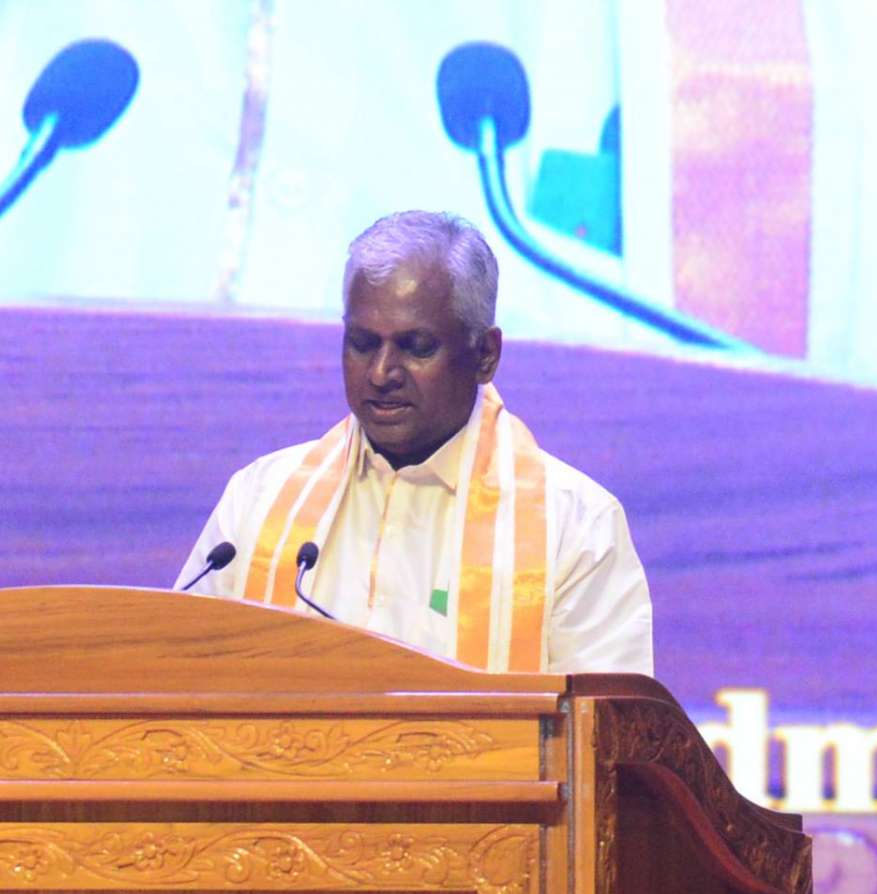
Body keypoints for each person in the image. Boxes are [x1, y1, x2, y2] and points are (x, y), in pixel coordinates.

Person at [177, 211, 653, 675]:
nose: (382, 373)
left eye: (416, 347)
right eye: (362, 343)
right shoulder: (258, 500)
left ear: (485, 355)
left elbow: (604, 723)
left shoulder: (574, 527)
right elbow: (175, 681)